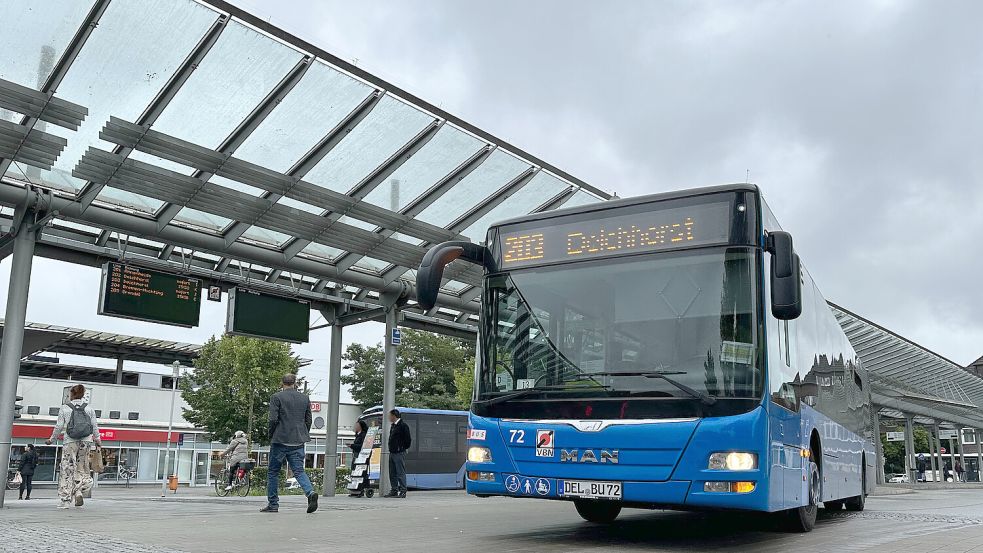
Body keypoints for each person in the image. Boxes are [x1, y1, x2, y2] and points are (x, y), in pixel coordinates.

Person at [262, 373, 318, 514]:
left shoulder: (276, 397)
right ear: (295, 383)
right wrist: (303, 433)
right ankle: (310, 493)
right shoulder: (305, 398)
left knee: (273, 472)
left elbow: (273, 419)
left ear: (282, 383)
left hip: (280, 440)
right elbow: (308, 420)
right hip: (298, 440)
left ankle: (273, 504)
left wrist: (271, 434)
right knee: (299, 470)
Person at [46, 384, 101, 509]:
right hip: (86, 442)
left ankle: (65, 501)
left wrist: (52, 439)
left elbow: (59, 426)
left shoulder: (65, 408)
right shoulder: (89, 409)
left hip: (69, 441)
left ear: (71, 394)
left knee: (67, 470)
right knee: (82, 468)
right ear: (83, 395)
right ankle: (79, 490)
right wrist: (98, 440)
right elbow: (94, 426)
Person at [385, 408, 411, 498]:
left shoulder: (403, 426)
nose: (388, 418)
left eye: (389, 416)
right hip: (392, 452)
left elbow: (408, 439)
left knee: (400, 472)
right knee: (392, 472)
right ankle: (394, 490)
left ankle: (403, 491)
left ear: (394, 416)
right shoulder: (393, 426)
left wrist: (402, 448)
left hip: (399, 452)